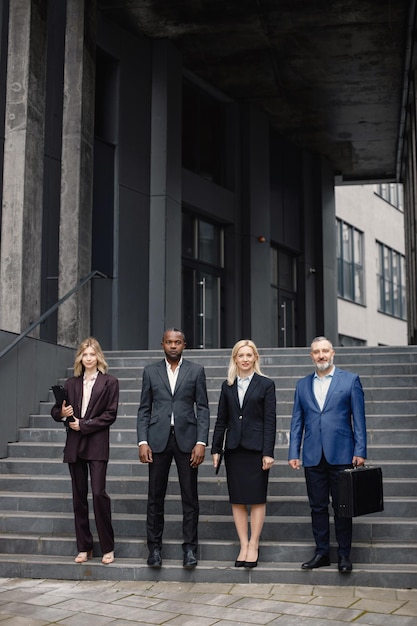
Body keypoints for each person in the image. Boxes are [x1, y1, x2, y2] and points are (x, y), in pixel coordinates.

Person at [288, 336, 367, 573]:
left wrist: (360, 450)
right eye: (316, 352)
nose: (321, 355)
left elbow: (359, 419)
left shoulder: (350, 380)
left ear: (333, 353)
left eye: (325, 351)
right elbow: (296, 421)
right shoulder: (302, 385)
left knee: (343, 507)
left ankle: (344, 555)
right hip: (313, 455)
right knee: (317, 507)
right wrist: (294, 451)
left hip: (342, 454)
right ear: (311, 356)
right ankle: (322, 552)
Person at [137, 328, 210, 569]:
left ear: (184, 345)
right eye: (169, 342)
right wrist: (142, 441)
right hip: (157, 440)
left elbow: (203, 408)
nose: (173, 346)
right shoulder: (150, 372)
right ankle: (154, 549)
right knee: (154, 498)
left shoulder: (196, 371)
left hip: (187, 441)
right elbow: (144, 409)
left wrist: (201, 442)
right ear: (162, 344)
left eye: (177, 342)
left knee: (190, 498)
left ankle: (190, 549)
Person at [51, 337, 119, 565]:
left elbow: (110, 415)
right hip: (75, 446)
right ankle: (84, 547)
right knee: (79, 498)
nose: (88, 358)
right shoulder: (70, 384)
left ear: (98, 356)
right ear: (80, 357)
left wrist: (84, 425)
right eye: (84, 355)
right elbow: (55, 412)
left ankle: (108, 547)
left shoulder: (110, 382)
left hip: (97, 444)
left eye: (92, 354)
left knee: (99, 494)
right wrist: (61, 412)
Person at [211, 339, 276, 568]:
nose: (245, 359)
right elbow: (221, 420)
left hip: (257, 450)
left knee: (257, 499)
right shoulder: (227, 385)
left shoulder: (266, 385)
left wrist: (268, 452)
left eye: (249, 355)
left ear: (255, 358)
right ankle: (243, 544)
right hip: (234, 450)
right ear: (235, 359)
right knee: (237, 499)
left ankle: (254, 544)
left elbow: (270, 421)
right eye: (241, 355)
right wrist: (216, 448)